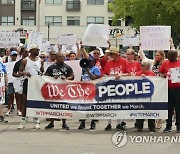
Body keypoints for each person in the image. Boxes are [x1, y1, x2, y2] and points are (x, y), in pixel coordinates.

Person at [45, 52, 74, 130]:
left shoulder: (67, 67)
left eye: (63, 57)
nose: (62, 58)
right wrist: (52, 78)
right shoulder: (51, 67)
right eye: (61, 57)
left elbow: (72, 76)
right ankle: (51, 122)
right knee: (52, 106)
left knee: (63, 106)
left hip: (63, 89)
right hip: (53, 90)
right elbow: (45, 76)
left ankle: (64, 123)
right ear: (57, 58)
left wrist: (66, 78)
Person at [18, 44, 44, 129]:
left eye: (38, 50)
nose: (38, 51)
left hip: (36, 82)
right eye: (36, 50)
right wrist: (25, 73)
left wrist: (41, 74)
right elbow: (20, 72)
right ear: (31, 51)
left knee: (36, 101)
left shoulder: (40, 60)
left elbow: (42, 71)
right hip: (27, 82)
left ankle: (36, 120)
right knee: (25, 101)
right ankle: (23, 120)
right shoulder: (25, 60)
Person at [103, 46, 128, 131]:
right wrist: (108, 77)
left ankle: (119, 123)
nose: (110, 55)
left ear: (116, 54)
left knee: (120, 104)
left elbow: (129, 73)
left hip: (121, 86)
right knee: (110, 104)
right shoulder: (109, 63)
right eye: (110, 54)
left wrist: (120, 75)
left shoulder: (124, 61)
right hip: (111, 86)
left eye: (111, 54)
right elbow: (105, 73)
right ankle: (109, 123)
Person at [159, 50, 180, 133]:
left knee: (178, 108)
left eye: (172, 56)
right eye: (169, 56)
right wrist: (164, 75)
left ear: (176, 56)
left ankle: (178, 126)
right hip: (168, 88)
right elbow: (160, 73)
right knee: (168, 108)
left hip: (178, 89)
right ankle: (168, 126)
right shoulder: (165, 63)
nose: (171, 58)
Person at [78, 55, 101, 130]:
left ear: (93, 62)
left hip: (93, 90)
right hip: (84, 90)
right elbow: (82, 78)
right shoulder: (83, 69)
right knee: (84, 107)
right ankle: (83, 122)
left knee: (92, 107)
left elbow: (94, 78)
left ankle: (93, 122)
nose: (88, 62)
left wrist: (88, 70)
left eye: (90, 61)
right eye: (88, 61)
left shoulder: (96, 69)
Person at [135, 59, 156, 132]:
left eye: (143, 65)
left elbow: (155, 82)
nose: (141, 66)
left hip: (149, 96)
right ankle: (139, 126)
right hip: (140, 95)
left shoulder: (152, 74)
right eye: (141, 65)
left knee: (150, 111)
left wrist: (146, 78)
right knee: (140, 110)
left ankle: (152, 127)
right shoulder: (137, 74)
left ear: (147, 66)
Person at [12, 47, 29, 116]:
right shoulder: (18, 63)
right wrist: (19, 76)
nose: (27, 53)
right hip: (20, 82)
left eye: (28, 52)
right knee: (20, 97)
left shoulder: (31, 62)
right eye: (25, 52)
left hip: (30, 82)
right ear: (21, 53)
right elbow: (13, 73)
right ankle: (20, 110)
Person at [5, 51, 19, 116]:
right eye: (13, 55)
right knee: (10, 96)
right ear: (10, 56)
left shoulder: (18, 63)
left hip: (17, 81)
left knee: (17, 96)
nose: (14, 57)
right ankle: (9, 109)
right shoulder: (7, 64)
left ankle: (18, 110)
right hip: (10, 81)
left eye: (15, 55)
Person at [0, 57, 8, 122]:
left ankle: (1, 115)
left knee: (1, 101)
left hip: (1, 86)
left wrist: (6, 84)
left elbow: (5, 75)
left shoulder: (2, 66)